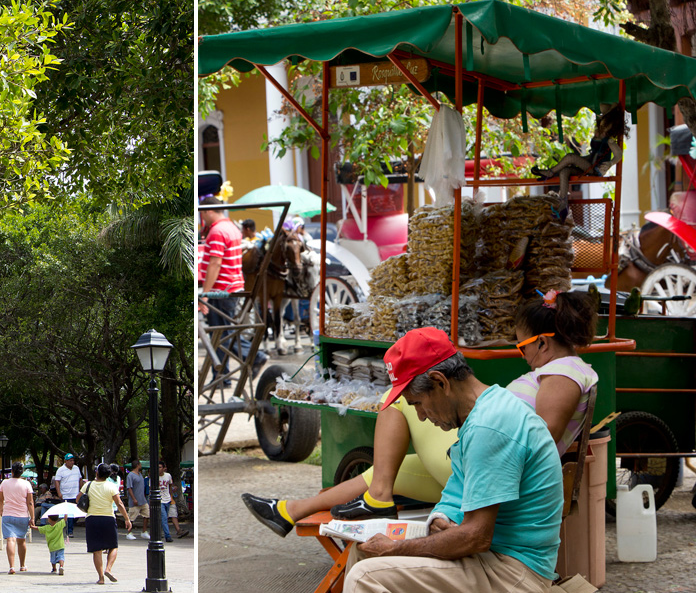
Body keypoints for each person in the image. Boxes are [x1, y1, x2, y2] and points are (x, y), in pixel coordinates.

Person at [306, 327, 563, 593]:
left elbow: (477, 537)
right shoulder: (484, 410)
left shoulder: (489, 427)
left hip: (515, 573)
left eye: (419, 403)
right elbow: (456, 499)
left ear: (441, 382)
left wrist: (400, 546)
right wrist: (439, 520)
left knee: (368, 581)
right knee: (361, 558)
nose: (421, 415)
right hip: (498, 558)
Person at [243, 289, 598, 535]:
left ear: (542, 342)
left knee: (399, 398)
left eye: (521, 347)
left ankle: (377, 499)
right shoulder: (562, 371)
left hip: (492, 464)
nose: (522, 356)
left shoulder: (563, 374)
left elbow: (540, 440)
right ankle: (291, 511)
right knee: (384, 472)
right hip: (483, 458)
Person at [198, 197, 267, 382]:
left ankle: (253, 356)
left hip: (221, 289)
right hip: (232, 286)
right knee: (220, 331)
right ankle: (221, 376)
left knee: (223, 332)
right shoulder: (231, 228)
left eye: (202, 213)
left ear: (208, 211)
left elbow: (215, 263)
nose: (202, 218)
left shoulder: (217, 231)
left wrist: (204, 294)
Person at [531, 105, 628, 209]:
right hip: (590, 164)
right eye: (603, 125)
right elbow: (591, 156)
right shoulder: (599, 134)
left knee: (570, 157)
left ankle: (550, 172)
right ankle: (563, 204)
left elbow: (619, 154)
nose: (603, 128)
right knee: (564, 172)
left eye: (606, 126)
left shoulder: (609, 140)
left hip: (595, 169)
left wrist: (610, 163)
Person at [78, 463, 131, 584]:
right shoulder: (111, 486)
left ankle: (101, 578)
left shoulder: (88, 485)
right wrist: (127, 519)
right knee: (113, 546)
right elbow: (119, 504)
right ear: (108, 475)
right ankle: (108, 569)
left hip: (92, 519)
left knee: (97, 550)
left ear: (97, 473)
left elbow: (78, 499)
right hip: (108, 518)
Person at [0, 466, 35, 575]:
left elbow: (1, 499)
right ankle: (22, 565)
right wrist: (32, 517)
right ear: (22, 472)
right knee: (21, 540)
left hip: (8, 515)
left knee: (10, 540)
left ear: (12, 471)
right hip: (22, 515)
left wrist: (1, 510)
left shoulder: (4, 483)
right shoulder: (27, 484)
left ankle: (11, 566)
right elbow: (30, 502)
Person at [54, 454, 83, 538]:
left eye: (73, 460)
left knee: (76, 513)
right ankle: (69, 531)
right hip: (66, 495)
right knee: (69, 514)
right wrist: (59, 493)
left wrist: (81, 491)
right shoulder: (61, 470)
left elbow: (80, 479)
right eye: (70, 460)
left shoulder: (76, 468)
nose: (72, 462)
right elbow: (57, 481)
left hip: (75, 494)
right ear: (65, 461)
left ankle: (67, 526)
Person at [124, 461, 150, 540]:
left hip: (142, 499)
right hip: (135, 501)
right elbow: (129, 488)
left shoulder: (140, 474)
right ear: (138, 465)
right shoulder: (130, 475)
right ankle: (129, 532)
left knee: (147, 514)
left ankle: (144, 531)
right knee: (131, 517)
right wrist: (134, 498)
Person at [41, 511, 67, 575]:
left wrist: (31, 526)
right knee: (61, 557)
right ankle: (61, 566)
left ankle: (54, 569)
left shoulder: (46, 528)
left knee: (53, 559)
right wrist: (66, 512)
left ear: (49, 519)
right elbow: (65, 519)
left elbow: (38, 529)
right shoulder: (60, 524)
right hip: (60, 545)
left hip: (52, 547)